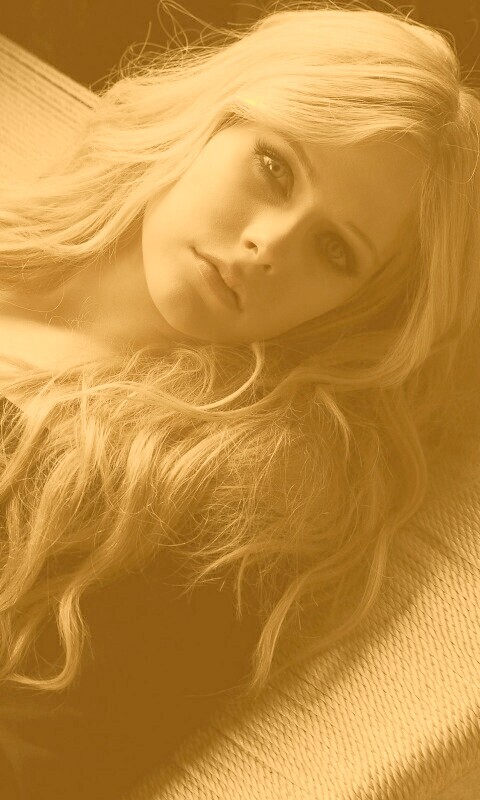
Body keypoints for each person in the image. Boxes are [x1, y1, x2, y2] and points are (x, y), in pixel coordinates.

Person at [1, 1, 480, 797]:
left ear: (353, 311)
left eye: (335, 249)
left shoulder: (222, 517)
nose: (269, 245)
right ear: (214, 117)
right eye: (275, 168)